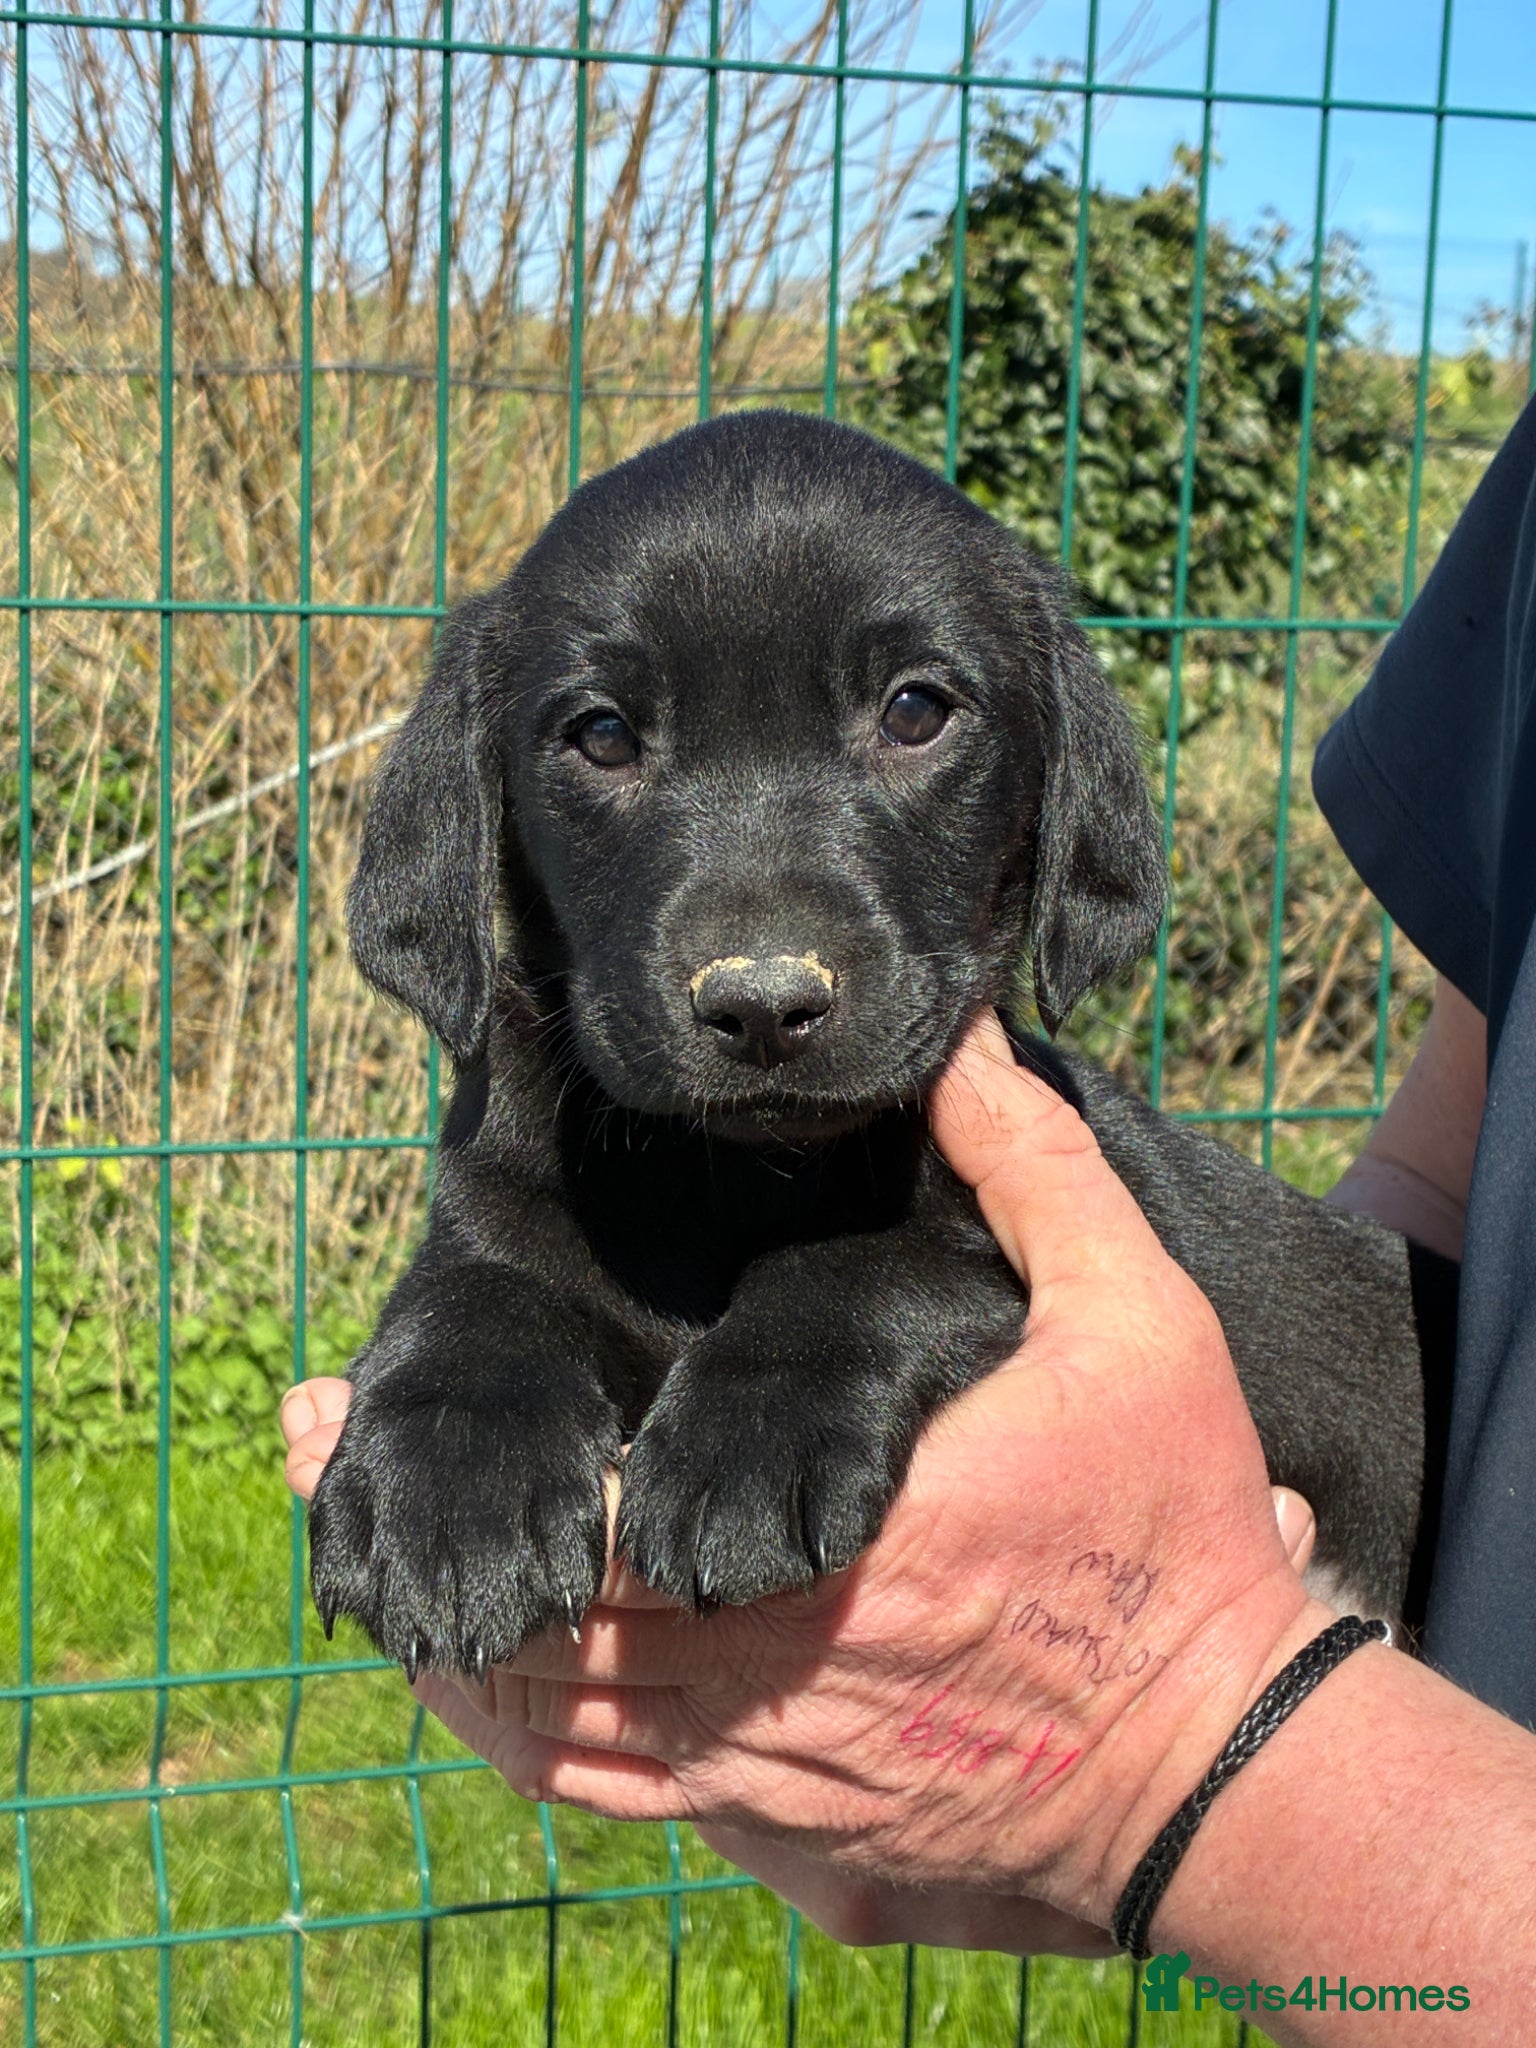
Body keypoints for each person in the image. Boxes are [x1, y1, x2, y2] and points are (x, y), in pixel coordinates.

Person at [282, 401, 1536, 2041]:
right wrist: (461, 1373)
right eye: (602, 738)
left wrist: (1177, 1741)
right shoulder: (529, 1156)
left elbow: (991, 1291)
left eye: (915, 713)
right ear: (486, 812)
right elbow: (505, 1255)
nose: (761, 966)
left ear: (1048, 786)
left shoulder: (991, 1157)